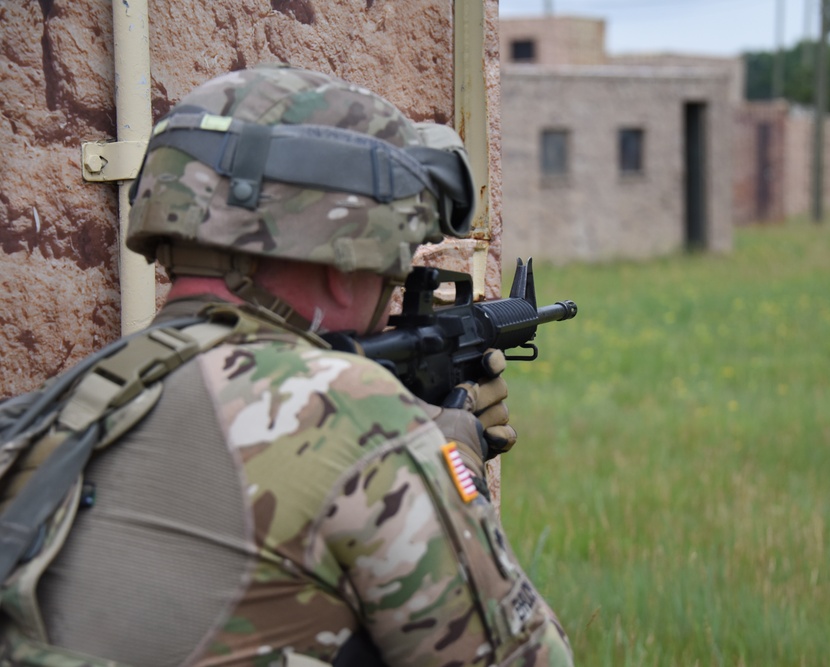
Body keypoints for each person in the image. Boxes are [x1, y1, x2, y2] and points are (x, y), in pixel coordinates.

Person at [0, 65, 572, 666]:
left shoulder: (48, 412)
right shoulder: (360, 421)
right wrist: (455, 469)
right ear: (347, 253)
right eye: (396, 260)